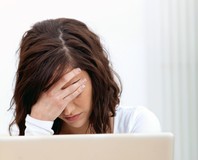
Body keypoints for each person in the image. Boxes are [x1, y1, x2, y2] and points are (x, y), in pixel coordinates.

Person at [9, 18, 161, 136]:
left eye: (75, 90)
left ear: (96, 77)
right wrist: (38, 125)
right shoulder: (30, 130)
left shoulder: (135, 124)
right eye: (55, 95)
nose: (68, 110)